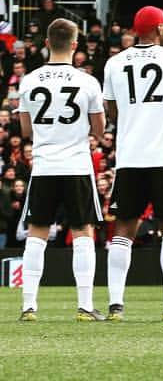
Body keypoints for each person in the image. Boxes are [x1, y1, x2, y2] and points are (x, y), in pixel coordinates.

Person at [102, 5, 163, 321]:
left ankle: (116, 305)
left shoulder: (115, 63)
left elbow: (112, 112)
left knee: (123, 228)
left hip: (130, 156)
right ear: (158, 28)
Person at [17, 18, 107, 321]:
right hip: (76, 165)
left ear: (46, 43)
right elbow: (99, 129)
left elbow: (26, 130)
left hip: (44, 165)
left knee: (37, 232)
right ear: (75, 45)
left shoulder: (29, 80)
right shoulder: (87, 82)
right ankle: (84, 306)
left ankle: (29, 306)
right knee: (83, 231)